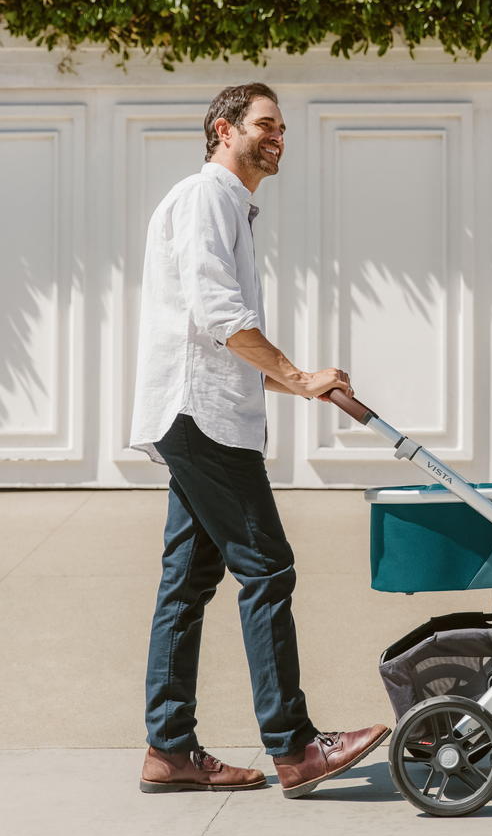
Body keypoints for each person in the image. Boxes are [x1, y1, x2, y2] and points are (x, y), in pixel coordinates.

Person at [129, 81, 388, 798]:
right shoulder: (206, 198)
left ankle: (169, 750)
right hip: (203, 418)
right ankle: (296, 747)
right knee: (268, 570)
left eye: (282, 129)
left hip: (197, 414)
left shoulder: (226, 207)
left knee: (187, 584)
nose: (278, 137)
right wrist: (297, 376)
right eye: (265, 124)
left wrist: (296, 384)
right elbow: (219, 314)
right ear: (224, 130)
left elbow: (210, 332)